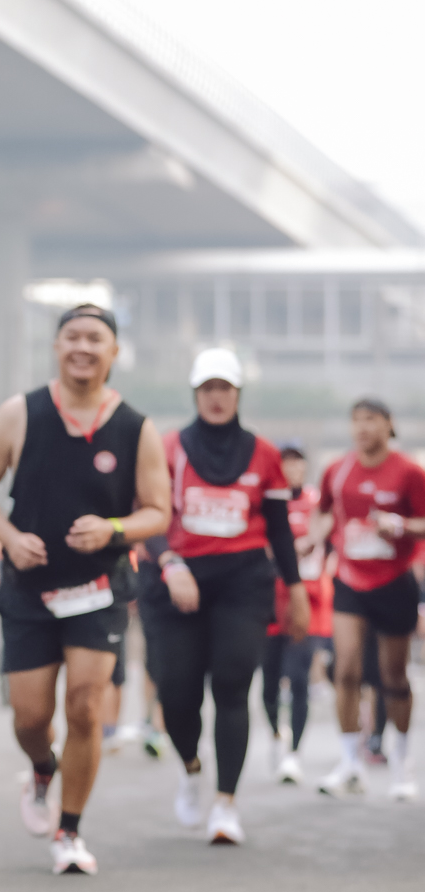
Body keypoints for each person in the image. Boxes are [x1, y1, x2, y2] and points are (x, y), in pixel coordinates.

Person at [0, 305, 171, 875]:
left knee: (85, 706)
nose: (83, 347)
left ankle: (70, 831)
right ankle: (41, 768)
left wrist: (114, 529)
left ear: (114, 352)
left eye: (95, 339)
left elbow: (158, 511)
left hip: (98, 588)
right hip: (29, 589)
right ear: (57, 346)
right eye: (72, 336)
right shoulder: (20, 413)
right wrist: (9, 538)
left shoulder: (135, 428)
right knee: (31, 718)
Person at [142, 348, 307, 844]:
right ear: (196, 393)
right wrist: (170, 563)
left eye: (225, 388)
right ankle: (192, 767)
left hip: (242, 582)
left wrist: (296, 589)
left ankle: (226, 803)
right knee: (176, 692)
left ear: (238, 394)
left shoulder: (265, 455)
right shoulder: (168, 448)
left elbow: (279, 531)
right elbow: (149, 517)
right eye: (208, 388)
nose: (217, 397)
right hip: (176, 581)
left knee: (233, 685)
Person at [311, 399, 425, 800]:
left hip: (394, 581)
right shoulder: (337, 470)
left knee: (393, 677)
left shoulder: (408, 471)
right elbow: (323, 512)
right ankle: (350, 762)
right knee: (345, 669)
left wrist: (401, 525)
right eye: (356, 420)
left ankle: (402, 764)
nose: (362, 428)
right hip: (349, 579)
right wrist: (314, 538)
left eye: (371, 420)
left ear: (388, 425)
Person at [260, 440, 327, 784]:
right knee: (269, 684)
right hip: (271, 602)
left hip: (309, 601)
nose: (293, 468)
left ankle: (294, 754)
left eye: (298, 461)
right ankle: (276, 735)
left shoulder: (316, 502)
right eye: (286, 461)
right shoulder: (268, 503)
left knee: (299, 678)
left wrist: (313, 540)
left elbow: (329, 524)